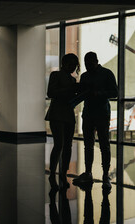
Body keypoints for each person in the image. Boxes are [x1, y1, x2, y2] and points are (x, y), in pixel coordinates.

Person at [72, 52, 118, 189]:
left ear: (96, 61)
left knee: (101, 145)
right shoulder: (90, 75)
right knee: (93, 145)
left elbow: (115, 93)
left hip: (99, 114)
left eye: (89, 63)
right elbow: (113, 92)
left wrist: (98, 93)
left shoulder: (105, 73)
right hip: (93, 113)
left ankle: (102, 174)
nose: (88, 66)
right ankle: (95, 174)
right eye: (86, 64)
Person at [45, 53, 80, 190]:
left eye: (74, 65)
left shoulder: (71, 80)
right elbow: (50, 93)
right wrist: (71, 90)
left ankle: (60, 173)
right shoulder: (57, 75)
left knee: (66, 145)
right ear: (64, 64)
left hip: (65, 113)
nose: (73, 67)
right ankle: (54, 173)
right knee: (60, 144)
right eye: (71, 65)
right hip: (59, 113)